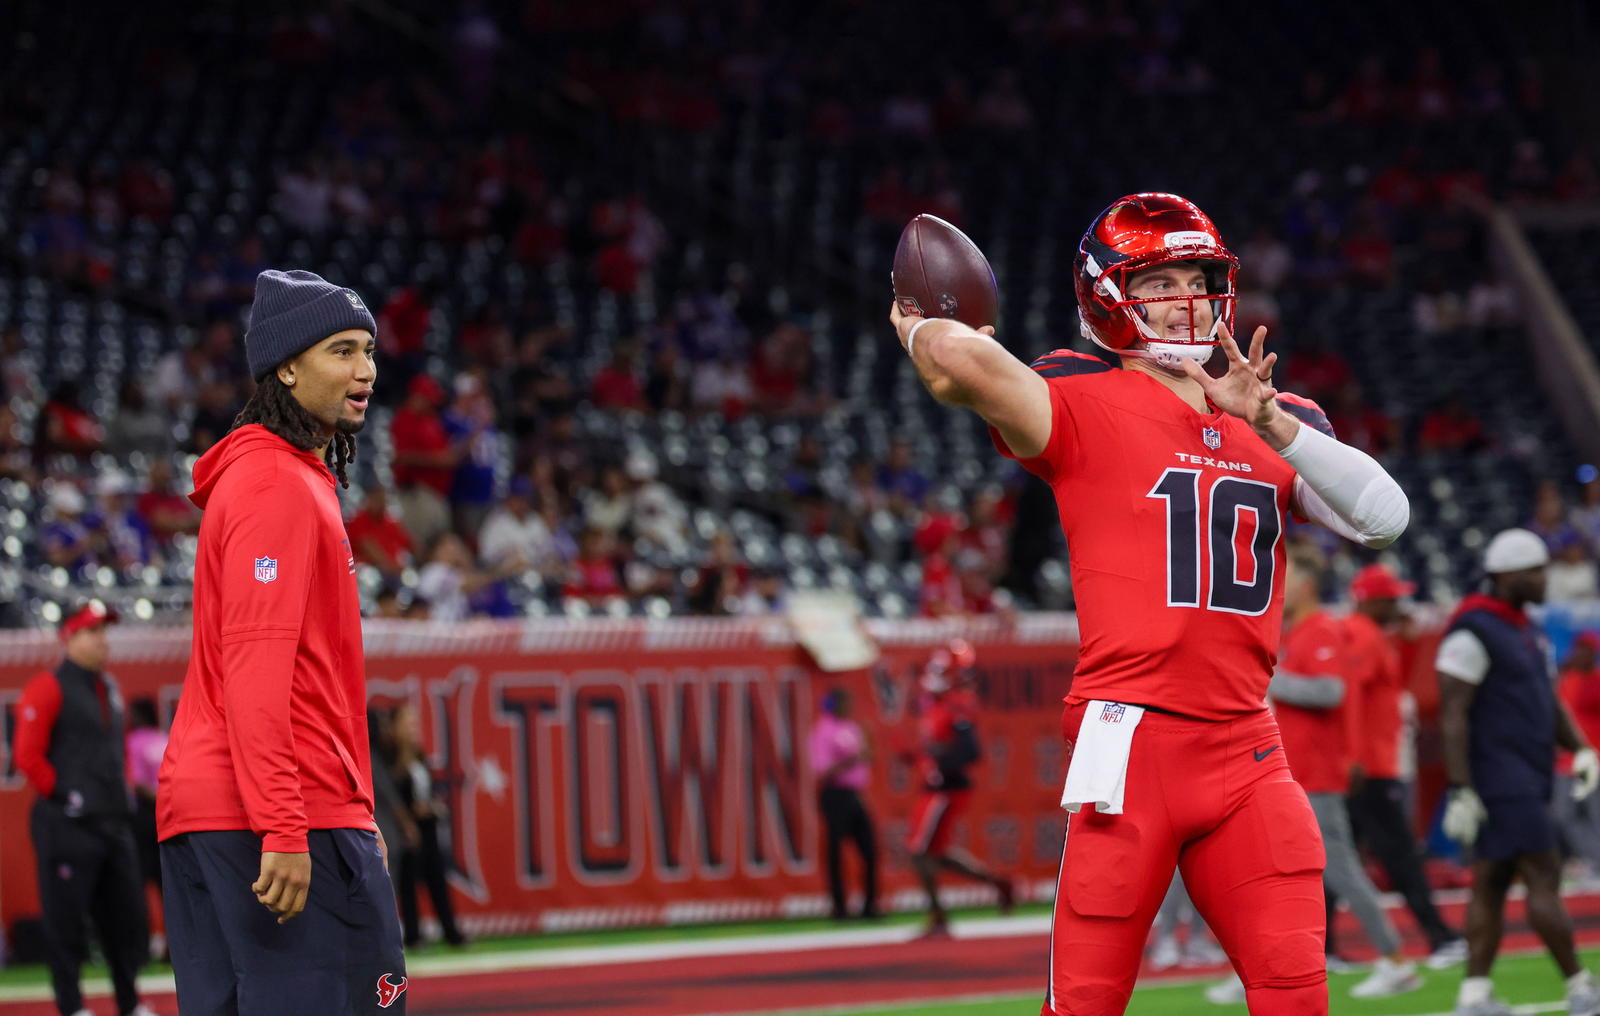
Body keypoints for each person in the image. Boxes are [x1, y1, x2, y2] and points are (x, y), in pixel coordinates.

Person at [889, 191, 1410, 1014]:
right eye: (1161, 281)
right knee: (1086, 1003)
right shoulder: (1078, 394)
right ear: (1109, 293)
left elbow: (1386, 519)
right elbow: (959, 362)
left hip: (1247, 747)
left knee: (1297, 996)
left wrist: (1274, 425)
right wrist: (919, 320)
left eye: (1199, 278)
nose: (1188, 299)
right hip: (1131, 743)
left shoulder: (1273, 415)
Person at [156, 269, 407, 1015]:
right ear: (286, 367)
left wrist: (355, 809)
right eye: (341, 350)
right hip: (268, 811)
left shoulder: (271, 476)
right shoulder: (275, 485)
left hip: (225, 809)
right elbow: (258, 671)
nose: (364, 369)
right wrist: (288, 826)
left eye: (367, 350)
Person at [1211, 550, 1419, 1004]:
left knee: (1341, 869)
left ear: (1304, 587)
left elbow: (1331, 691)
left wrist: (1264, 679)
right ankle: (1255, 967)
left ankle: (1396, 961)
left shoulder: (1321, 628)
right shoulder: (1297, 632)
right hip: (1289, 771)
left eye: (1286, 581)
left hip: (1318, 774)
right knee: (1267, 873)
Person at [1437, 528, 1600, 1016]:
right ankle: (1580, 989)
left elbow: (1546, 700)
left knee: (1492, 880)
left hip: (1526, 772)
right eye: (1534, 569)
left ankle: (1474, 996)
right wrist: (1461, 787)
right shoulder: (1472, 628)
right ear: (1506, 574)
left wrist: (1582, 748)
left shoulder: (1524, 627)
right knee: (1543, 873)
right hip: (1501, 776)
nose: (1543, 578)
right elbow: (1452, 714)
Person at [14, 601, 160, 1016]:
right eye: (92, 632)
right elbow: (27, 754)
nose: (102, 640)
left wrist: (123, 794)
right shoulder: (47, 686)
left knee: (126, 920)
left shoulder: (110, 688)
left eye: (104, 632)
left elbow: (115, 753)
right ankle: (72, 1005)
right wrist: (66, 794)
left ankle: (129, 1002)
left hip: (112, 824)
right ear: (70, 637)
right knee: (67, 921)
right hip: (67, 824)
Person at [1344, 564, 1467, 966]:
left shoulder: (1370, 634)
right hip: (1370, 768)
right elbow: (1350, 696)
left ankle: (1322, 948)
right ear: (1373, 600)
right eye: (1392, 597)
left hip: (1364, 765)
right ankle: (1439, 936)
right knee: (1400, 856)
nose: (1399, 602)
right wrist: (1356, 756)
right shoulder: (1363, 636)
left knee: (1336, 859)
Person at [907, 641, 1014, 938]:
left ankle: (938, 915)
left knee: (919, 851)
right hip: (937, 786)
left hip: (944, 788)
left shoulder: (957, 705)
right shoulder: (938, 704)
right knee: (934, 852)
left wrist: (940, 761)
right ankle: (996, 883)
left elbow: (970, 750)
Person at [389, 703, 467, 948]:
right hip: (408, 830)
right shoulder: (390, 758)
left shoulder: (419, 755)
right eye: (407, 722)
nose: (413, 728)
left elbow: (428, 788)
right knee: (408, 882)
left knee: (437, 878)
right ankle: (413, 934)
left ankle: (451, 932)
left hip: (429, 826)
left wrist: (433, 806)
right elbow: (391, 795)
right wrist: (410, 813)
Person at [807, 688, 880, 921]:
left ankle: (870, 904)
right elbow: (823, 770)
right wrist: (853, 759)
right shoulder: (823, 731)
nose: (850, 706)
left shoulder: (851, 727)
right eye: (846, 702)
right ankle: (840, 907)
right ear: (835, 704)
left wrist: (867, 750)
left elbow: (866, 757)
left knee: (869, 848)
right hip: (835, 794)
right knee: (835, 851)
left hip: (855, 793)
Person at [1556, 632, 1600, 879]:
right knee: (1563, 816)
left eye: (1587, 649)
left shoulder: (1596, 680)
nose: (1581, 653)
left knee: (1596, 816)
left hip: (1594, 761)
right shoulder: (1566, 679)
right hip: (1566, 763)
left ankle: (1596, 864)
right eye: (1579, 648)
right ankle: (1593, 860)